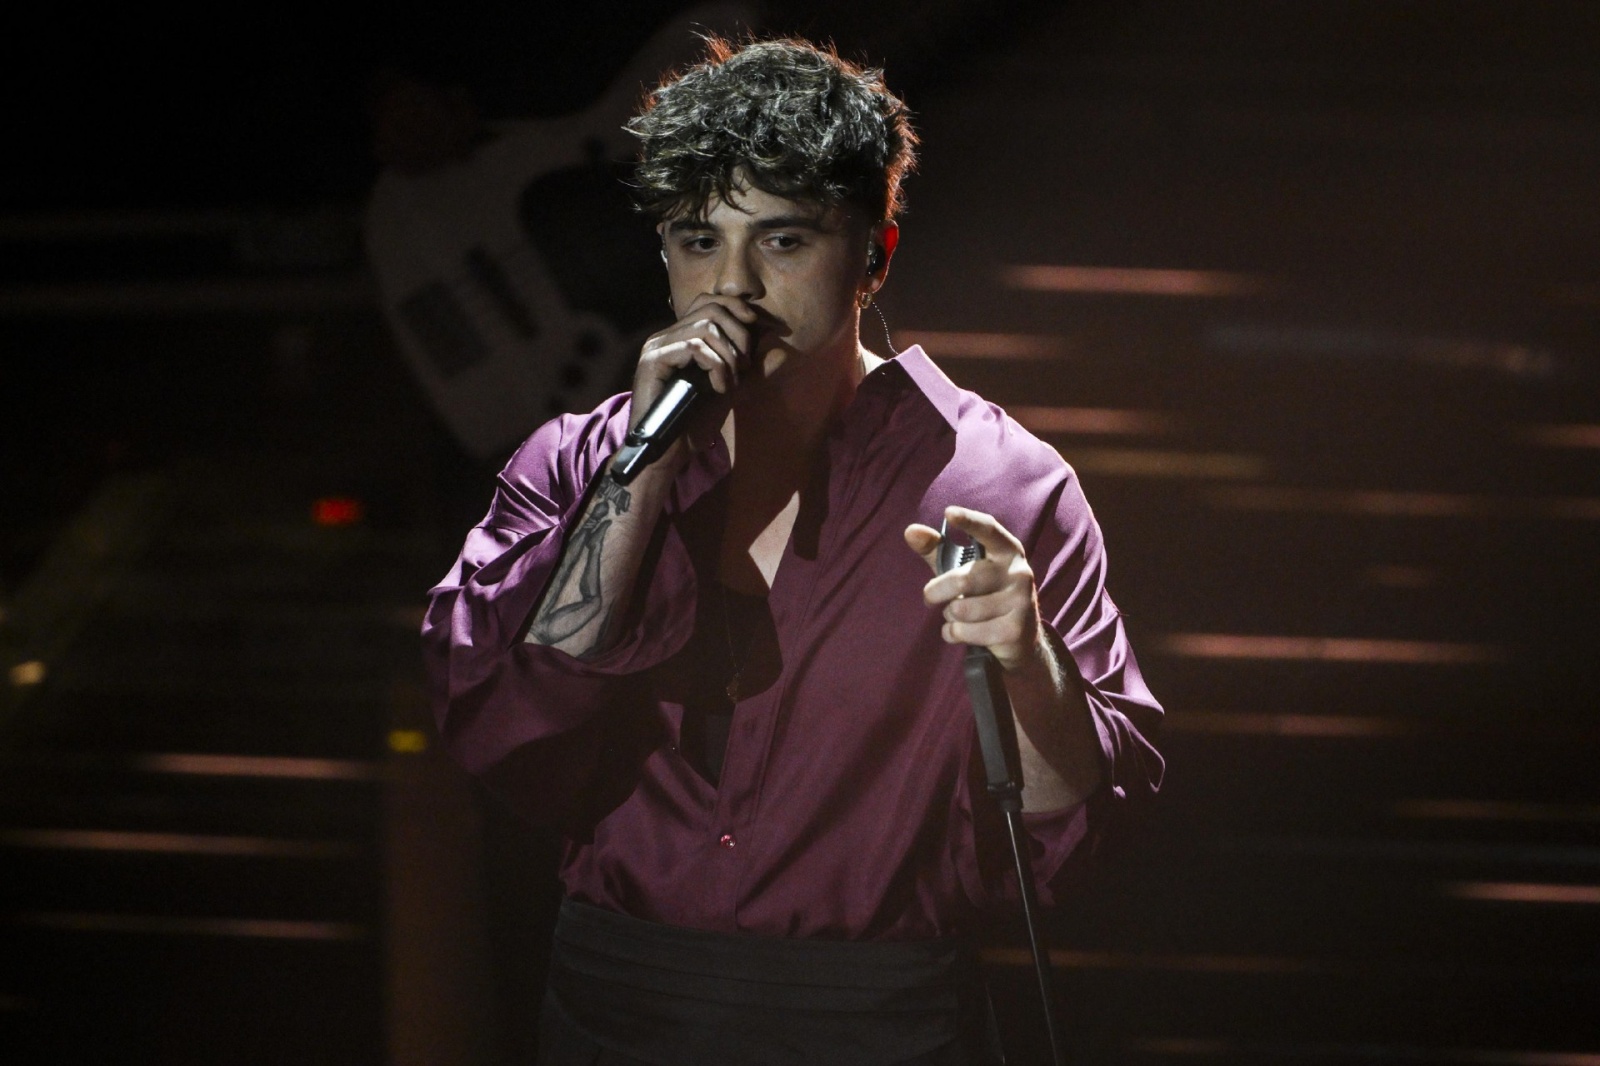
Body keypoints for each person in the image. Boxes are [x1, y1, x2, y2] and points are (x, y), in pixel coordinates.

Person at [422, 35, 1163, 1065]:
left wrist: (1026, 657)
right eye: (695, 241)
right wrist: (641, 470)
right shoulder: (579, 460)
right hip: (619, 1000)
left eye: (780, 242)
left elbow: (1075, 830)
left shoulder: (1001, 485)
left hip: (880, 1012)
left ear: (873, 254)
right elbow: (502, 727)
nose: (731, 289)